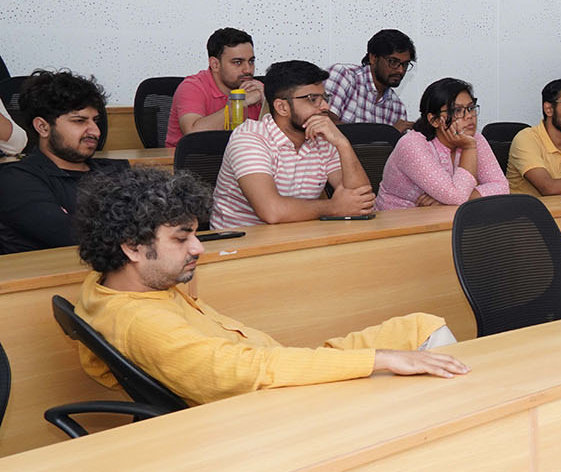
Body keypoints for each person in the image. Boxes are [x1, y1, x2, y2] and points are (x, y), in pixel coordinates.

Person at [70, 168, 468, 406]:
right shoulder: (141, 322)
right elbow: (250, 372)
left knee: (421, 326)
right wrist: (379, 359)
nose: (197, 249)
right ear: (132, 247)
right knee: (411, 356)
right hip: (275, 403)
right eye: (180, 239)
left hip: (277, 368)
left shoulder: (119, 282)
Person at [208, 60, 376, 229]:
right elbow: (271, 211)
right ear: (282, 107)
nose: (325, 106)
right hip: (239, 246)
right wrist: (334, 207)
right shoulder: (250, 138)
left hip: (297, 238)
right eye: (313, 99)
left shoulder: (322, 137)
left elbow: (362, 201)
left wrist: (342, 143)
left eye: (325, 98)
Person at [0, 71, 129, 254]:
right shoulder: (16, 180)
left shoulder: (118, 171)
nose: (95, 131)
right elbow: (68, 236)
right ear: (43, 127)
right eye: (79, 121)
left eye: (95, 121)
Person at [374, 78, 508, 211]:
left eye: (471, 108)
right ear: (434, 120)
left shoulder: (474, 138)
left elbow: (502, 187)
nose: (469, 116)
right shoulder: (412, 145)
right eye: (457, 111)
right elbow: (457, 197)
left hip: (444, 218)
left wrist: (451, 200)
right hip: (398, 222)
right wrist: (469, 148)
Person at [165, 27, 262, 147]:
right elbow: (192, 135)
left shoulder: (257, 90)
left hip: (241, 161)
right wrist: (240, 103)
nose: (248, 70)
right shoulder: (192, 87)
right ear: (215, 64)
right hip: (191, 162)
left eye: (251, 61)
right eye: (237, 62)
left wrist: (268, 99)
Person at [325, 29, 414, 132]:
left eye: (405, 64)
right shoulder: (343, 75)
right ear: (373, 58)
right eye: (393, 62)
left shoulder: (398, 108)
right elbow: (325, 123)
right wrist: (389, 134)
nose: (400, 70)